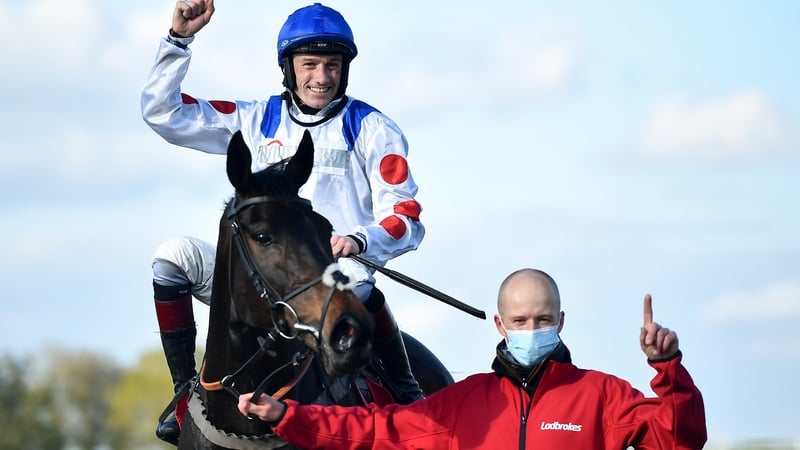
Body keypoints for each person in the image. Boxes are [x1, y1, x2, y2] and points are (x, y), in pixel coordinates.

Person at [141, 0, 427, 444]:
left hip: (331, 273)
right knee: (172, 256)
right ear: (288, 68)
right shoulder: (255, 118)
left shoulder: (373, 128)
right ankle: (184, 394)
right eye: (309, 64)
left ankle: (407, 391)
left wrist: (358, 240)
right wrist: (179, 39)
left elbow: (406, 217)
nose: (322, 77)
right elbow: (164, 113)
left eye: (332, 65)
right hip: (258, 275)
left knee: (356, 283)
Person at [238, 268, 708, 449]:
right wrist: (286, 416)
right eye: (520, 320)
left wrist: (668, 368)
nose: (532, 329)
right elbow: (377, 430)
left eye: (543, 319)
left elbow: (680, 440)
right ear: (500, 325)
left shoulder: (602, 395)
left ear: (561, 321)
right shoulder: (462, 403)